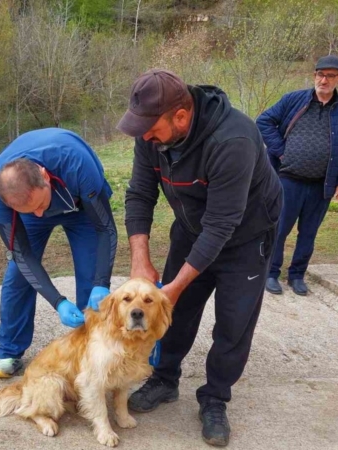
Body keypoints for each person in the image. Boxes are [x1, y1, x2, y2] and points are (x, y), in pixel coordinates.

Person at [118, 69, 282, 447]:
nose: (145, 137)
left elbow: (222, 225)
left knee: (233, 325)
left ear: (181, 116)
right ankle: (165, 379)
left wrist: (174, 286)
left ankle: (215, 398)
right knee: (175, 313)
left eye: (151, 129)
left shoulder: (233, 139)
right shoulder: (150, 134)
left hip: (246, 238)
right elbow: (140, 194)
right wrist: (140, 260)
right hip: (192, 229)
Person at [0, 128, 117, 378]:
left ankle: (92, 351)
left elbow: (105, 229)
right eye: (30, 209)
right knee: (19, 275)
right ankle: (9, 351)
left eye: (40, 205)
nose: (40, 214)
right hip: (36, 202)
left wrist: (102, 283)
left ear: (44, 175)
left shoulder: (78, 164)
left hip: (80, 205)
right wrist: (58, 301)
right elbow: (21, 254)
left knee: (91, 278)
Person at [256, 55, 338, 296]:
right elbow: (263, 121)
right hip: (287, 180)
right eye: (320, 75)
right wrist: (282, 151)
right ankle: (271, 273)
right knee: (279, 229)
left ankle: (297, 275)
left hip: (322, 184)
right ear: (314, 75)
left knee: (309, 233)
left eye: (330, 76)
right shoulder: (293, 100)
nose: (324, 80)